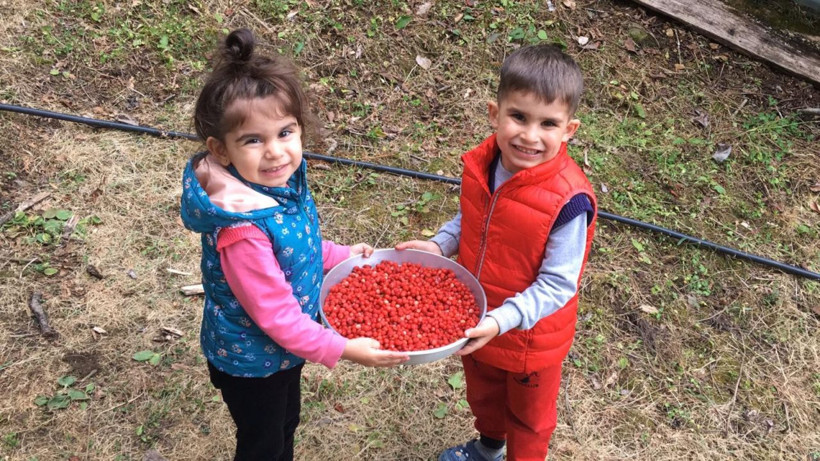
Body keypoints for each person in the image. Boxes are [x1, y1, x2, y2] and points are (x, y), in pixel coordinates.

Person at [180, 28, 409, 461]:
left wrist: (344, 256)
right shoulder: (241, 231)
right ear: (221, 150)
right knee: (262, 442)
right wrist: (341, 347)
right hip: (251, 360)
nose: (275, 152)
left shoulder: (276, 189)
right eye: (253, 140)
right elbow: (275, 315)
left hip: (284, 352)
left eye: (285, 133)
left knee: (286, 421)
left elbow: (299, 247)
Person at [396, 44, 597, 461]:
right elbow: (471, 218)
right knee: (484, 396)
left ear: (569, 130)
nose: (529, 135)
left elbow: (559, 284)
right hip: (478, 316)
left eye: (548, 123)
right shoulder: (484, 165)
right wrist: (438, 244)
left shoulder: (569, 201)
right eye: (518, 116)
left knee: (529, 420)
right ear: (494, 113)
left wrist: (503, 320)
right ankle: (488, 447)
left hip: (529, 338)